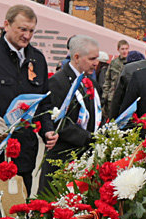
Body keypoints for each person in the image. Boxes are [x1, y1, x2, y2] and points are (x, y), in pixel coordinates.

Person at [0, 5, 56, 194]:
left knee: (21, 205)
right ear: (6, 25)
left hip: (25, 150)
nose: (27, 36)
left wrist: (48, 130)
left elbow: (44, 102)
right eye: (22, 29)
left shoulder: (38, 59)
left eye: (31, 31)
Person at [42, 35, 102, 187]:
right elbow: (57, 120)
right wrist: (89, 138)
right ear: (76, 57)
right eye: (92, 58)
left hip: (85, 156)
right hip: (63, 158)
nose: (96, 63)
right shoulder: (58, 81)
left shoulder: (90, 82)